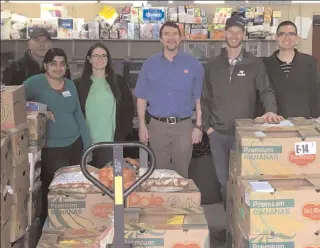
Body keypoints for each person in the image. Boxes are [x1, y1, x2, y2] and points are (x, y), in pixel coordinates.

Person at [201, 16, 283, 207]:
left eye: (238, 32)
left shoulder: (254, 64)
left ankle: (241, 228)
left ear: (243, 35)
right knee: (223, 181)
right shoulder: (213, 65)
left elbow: (266, 90)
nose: (234, 35)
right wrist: (207, 128)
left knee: (245, 181)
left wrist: (271, 111)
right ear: (224, 34)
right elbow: (204, 98)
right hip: (218, 134)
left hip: (243, 134)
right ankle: (230, 227)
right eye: (231, 31)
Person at [23, 48, 91, 223]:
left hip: (75, 143)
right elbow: (14, 100)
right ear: (45, 65)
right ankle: (54, 226)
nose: (58, 67)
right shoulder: (35, 83)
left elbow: (78, 114)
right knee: (58, 192)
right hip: (52, 148)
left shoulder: (69, 84)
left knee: (76, 189)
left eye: (62, 63)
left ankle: (75, 225)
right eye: (53, 63)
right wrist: (40, 109)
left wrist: (88, 144)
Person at [134, 21, 204, 178]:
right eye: (166, 34)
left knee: (182, 175)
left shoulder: (194, 65)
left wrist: (198, 126)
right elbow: (141, 97)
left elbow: (200, 99)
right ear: (160, 39)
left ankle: (180, 203)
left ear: (181, 38)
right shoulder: (149, 64)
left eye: (174, 34)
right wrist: (142, 125)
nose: (171, 38)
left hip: (184, 128)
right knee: (159, 175)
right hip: (156, 127)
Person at [74, 43, 134, 168]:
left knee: (112, 181)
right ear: (89, 59)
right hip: (86, 143)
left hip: (112, 143)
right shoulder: (78, 84)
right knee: (88, 182)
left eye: (103, 55)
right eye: (96, 56)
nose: (100, 59)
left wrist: (122, 136)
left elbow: (128, 110)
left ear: (108, 59)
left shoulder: (119, 82)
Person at [264, 20, 320, 118]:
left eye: (291, 34)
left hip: (304, 122)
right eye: (282, 34)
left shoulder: (309, 62)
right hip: (275, 123)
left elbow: (316, 94)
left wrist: (315, 120)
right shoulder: (265, 64)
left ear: (297, 38)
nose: (287, 38)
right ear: (276, 37)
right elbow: (263, 95)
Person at [2, 28, 70, 85]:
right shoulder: (16, 68)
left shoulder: (60, 68)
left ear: (51, 44)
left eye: (45, 41)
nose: (41, 45)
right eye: (37, 41)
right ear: (29, 44)